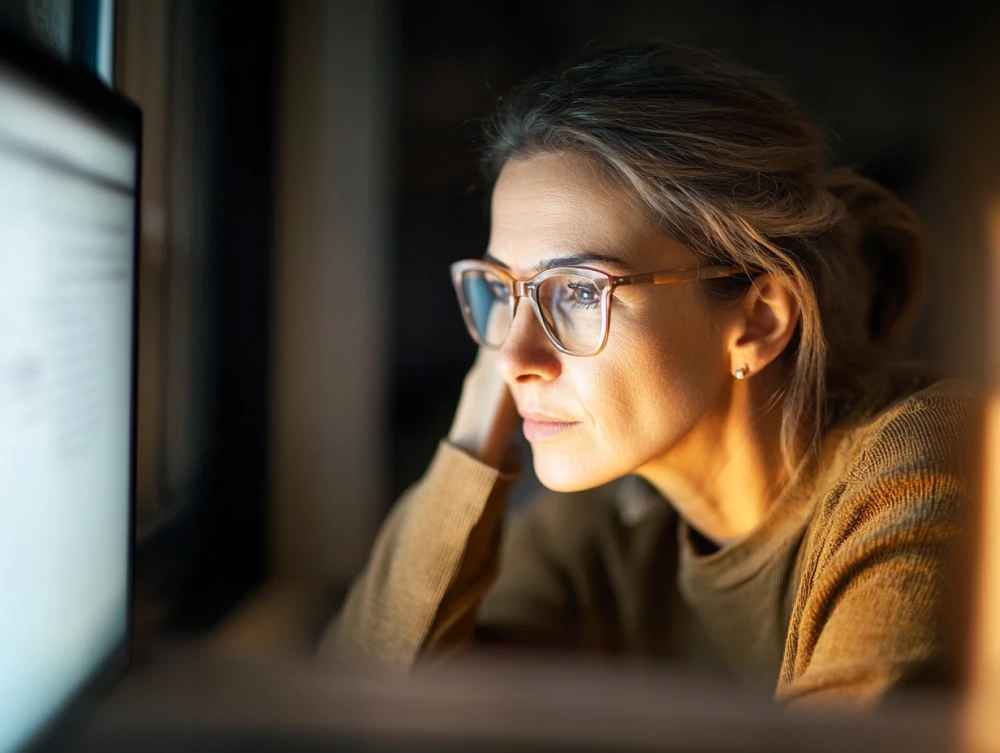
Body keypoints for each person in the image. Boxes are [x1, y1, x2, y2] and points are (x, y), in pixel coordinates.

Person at [319, 43, 981, 707]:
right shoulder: (609, 532)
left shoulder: (930, 459)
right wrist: (476, 417)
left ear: (758, 321)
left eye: (578, 291)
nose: (516, 361)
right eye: (501, 288)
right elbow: (355, 700)